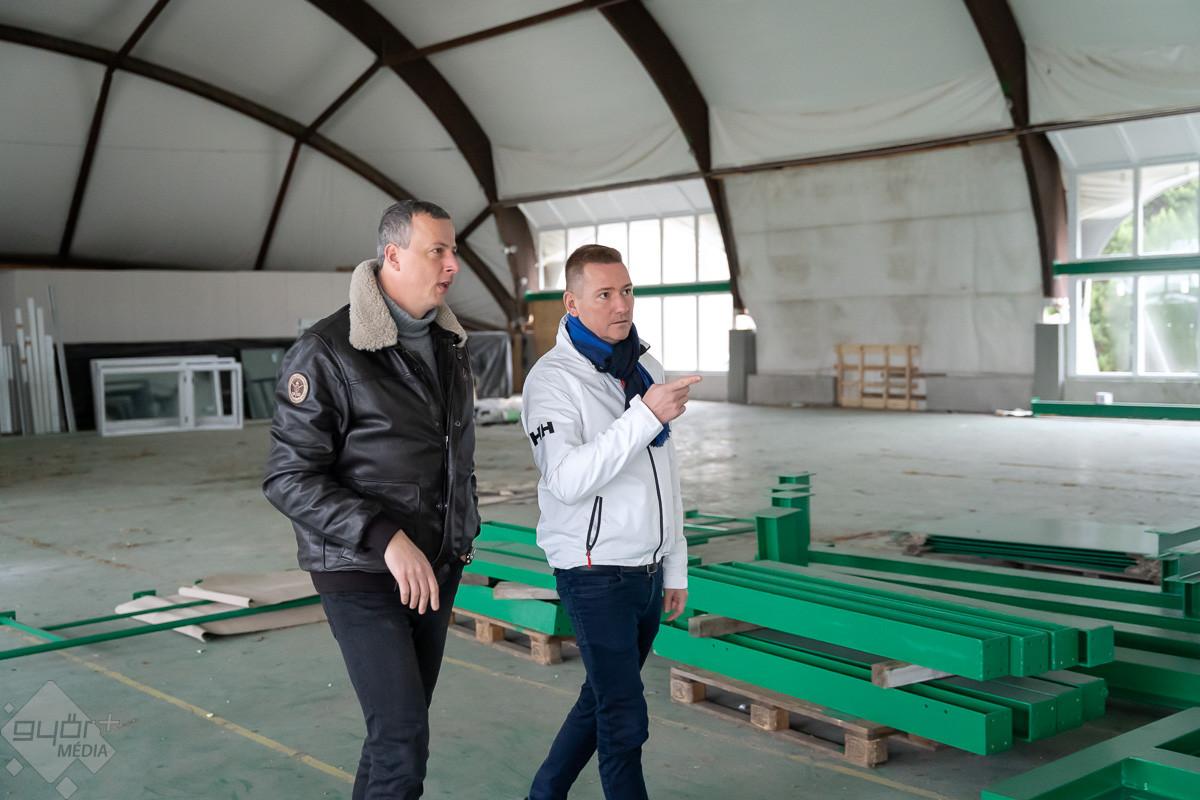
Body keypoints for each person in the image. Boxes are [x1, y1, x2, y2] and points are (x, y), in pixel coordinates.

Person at [263, 199, 479, 800]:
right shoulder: (326, 351)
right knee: (402, 742)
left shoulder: (449, 344)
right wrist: (386, 537)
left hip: (434, 569)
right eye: (437, 251)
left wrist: (456, 536)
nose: (452, 265)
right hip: (359, 570)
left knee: (394, 738)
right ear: (393, 256)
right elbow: (288, 476)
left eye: (454, 251)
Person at [521, 243, 700, 800]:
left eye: (626, 291)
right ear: (572, 303)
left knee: (601, 700)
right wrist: (644, 415)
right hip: (594, 572)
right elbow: (567, 479)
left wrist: (674, 564)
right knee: (623, 719)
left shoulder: (645, 369)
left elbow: (664, 474)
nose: (621, 305)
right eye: (604, 294)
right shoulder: (553, 381)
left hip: (646, 571)